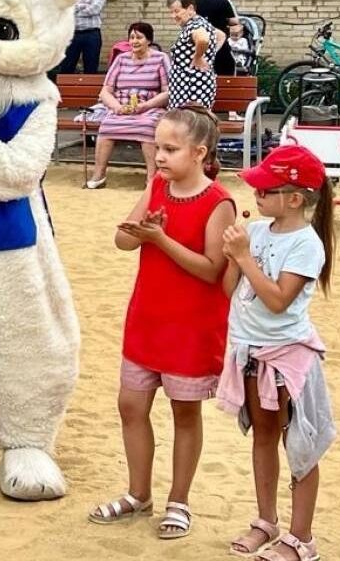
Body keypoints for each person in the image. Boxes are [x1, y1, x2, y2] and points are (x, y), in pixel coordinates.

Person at [88, 107, 236, 540]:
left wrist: (161, 239)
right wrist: (142, 230)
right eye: (160, 146)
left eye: (171, 148)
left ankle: (179, 500)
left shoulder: (218, 201)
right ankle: (138, 493)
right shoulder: (157, 185)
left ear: (199, 152)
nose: (161, 155)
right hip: (147, 319)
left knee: (184, 413)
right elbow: (121, 241)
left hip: (190, 326)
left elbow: (212, 269)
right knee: (130, 406)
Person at [217, 145, 336, 561]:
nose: (257, 195)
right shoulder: (259, 232)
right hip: (251, 352)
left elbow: (278, 300)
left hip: (287, 357)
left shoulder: (307, 244)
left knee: (300, 446)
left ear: (295, 198)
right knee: (264, 437)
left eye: (266, 189)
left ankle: (302, 538)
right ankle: (266, 520)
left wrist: (244, 257)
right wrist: (236, 255)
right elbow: (232, 290)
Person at [85, 23, 171, 189]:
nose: (134, 41)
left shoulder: (160, 58)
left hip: (150, 106)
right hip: (122, 107)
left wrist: (145, 106)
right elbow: (105, 91)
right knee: (107, 125)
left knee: (146, 126)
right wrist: (117, 107)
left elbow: (167, 92)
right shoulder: (121, 59)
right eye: (131, 37)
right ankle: (99, 174)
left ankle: (152, 179)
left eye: (139, 37)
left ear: (149, 40)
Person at [166, 0, 219, 109]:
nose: (173, 16)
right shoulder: (199, 23)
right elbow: (220, 35)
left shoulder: (195, 25)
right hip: (188, 86)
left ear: (190, 8)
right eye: (171, 12)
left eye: (177, 11)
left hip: (191, 88)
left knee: (189, 124)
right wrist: (211, 53)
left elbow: (203, 39)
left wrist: (198, 57)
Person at [60, 0, 107, 74]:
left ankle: (90, 92)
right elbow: (64, 9)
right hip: (72, 34)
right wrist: (84, 6)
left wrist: (74, 9)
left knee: (91, 69)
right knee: (66, 68)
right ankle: (66, 92)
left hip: (92, 35)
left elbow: (95, 9)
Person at [193, 0, 239, 77]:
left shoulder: (194, 2)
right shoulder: (222, 0)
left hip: (198, 44)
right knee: (226, 72)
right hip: (219, 43)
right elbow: (234, 21)